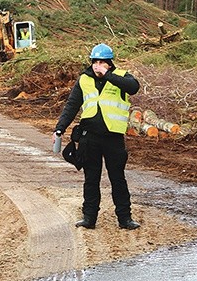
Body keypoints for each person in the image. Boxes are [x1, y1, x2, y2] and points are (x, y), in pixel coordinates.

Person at [53, 43, 141, 230]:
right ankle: (89, 218)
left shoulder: (121, 76)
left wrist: (108, 76)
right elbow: (71, 106)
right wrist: (59, 129)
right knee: (91, 179)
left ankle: (125, 219)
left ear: (109, 63)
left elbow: (134, 87)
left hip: (113, 138)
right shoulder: (84, 79)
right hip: (89, 137)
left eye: (101, 62)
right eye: (94, 61)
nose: (97, 65)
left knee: (117, 178)